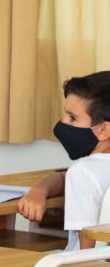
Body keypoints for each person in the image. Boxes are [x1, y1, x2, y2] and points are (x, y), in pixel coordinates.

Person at [18, 71, 110, 250]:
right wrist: (40, 188)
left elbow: (87, 251)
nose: (63, 123)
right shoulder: (88, 171)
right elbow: (65, 177)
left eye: (72, 117)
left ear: (104, 130)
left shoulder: (83, 172)